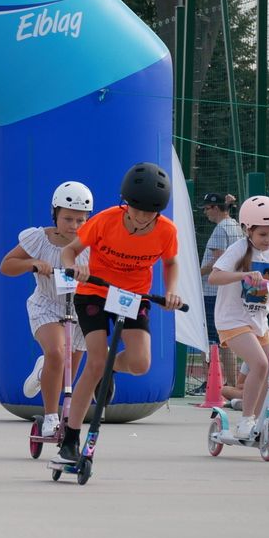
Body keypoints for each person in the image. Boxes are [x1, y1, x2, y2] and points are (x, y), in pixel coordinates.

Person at [59, 163, 182, 462]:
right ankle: (71, 436)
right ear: (125, 202)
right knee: (95, 361)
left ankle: (110, 369)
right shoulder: (104, 221)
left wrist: (171, 290)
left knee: (140, 363)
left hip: (133, 295)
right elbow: (69, 251)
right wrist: (76, 267)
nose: (140, 218)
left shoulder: (167, 231)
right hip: (95, 292)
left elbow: (171, 263)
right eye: (135, 209)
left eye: (148, 213)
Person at [0, 180, 93, 439]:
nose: (74, 226)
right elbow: (6, 266)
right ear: (55, 214)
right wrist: (32, 263)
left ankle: (47, 377)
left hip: (81, 309)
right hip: (47, 305)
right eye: (68, 219)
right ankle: (51, 416)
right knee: (57, 353)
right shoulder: (39, 238)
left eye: (81, 220)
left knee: (70, 368)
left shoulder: (92, 243)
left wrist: (90, 273)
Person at [207, 196, 269, 440]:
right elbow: (215, 277)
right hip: (233, 320)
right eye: (263, 234)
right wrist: (243, 276)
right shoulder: (239, 249)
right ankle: (246, 420)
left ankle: (258, 417)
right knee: (260, 364)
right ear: (247, 229)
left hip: (260, 320)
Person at [198, 192, 242, 387]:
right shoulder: (235, 226)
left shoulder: (220, 229)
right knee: (226, 339)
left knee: (208, 339)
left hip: (212, 291)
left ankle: (211, 384)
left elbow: (218, 259)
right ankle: (231, 383)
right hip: (229, 290)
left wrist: (196, 273)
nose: (205, 213)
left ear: (215, 208)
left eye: (207, 208)